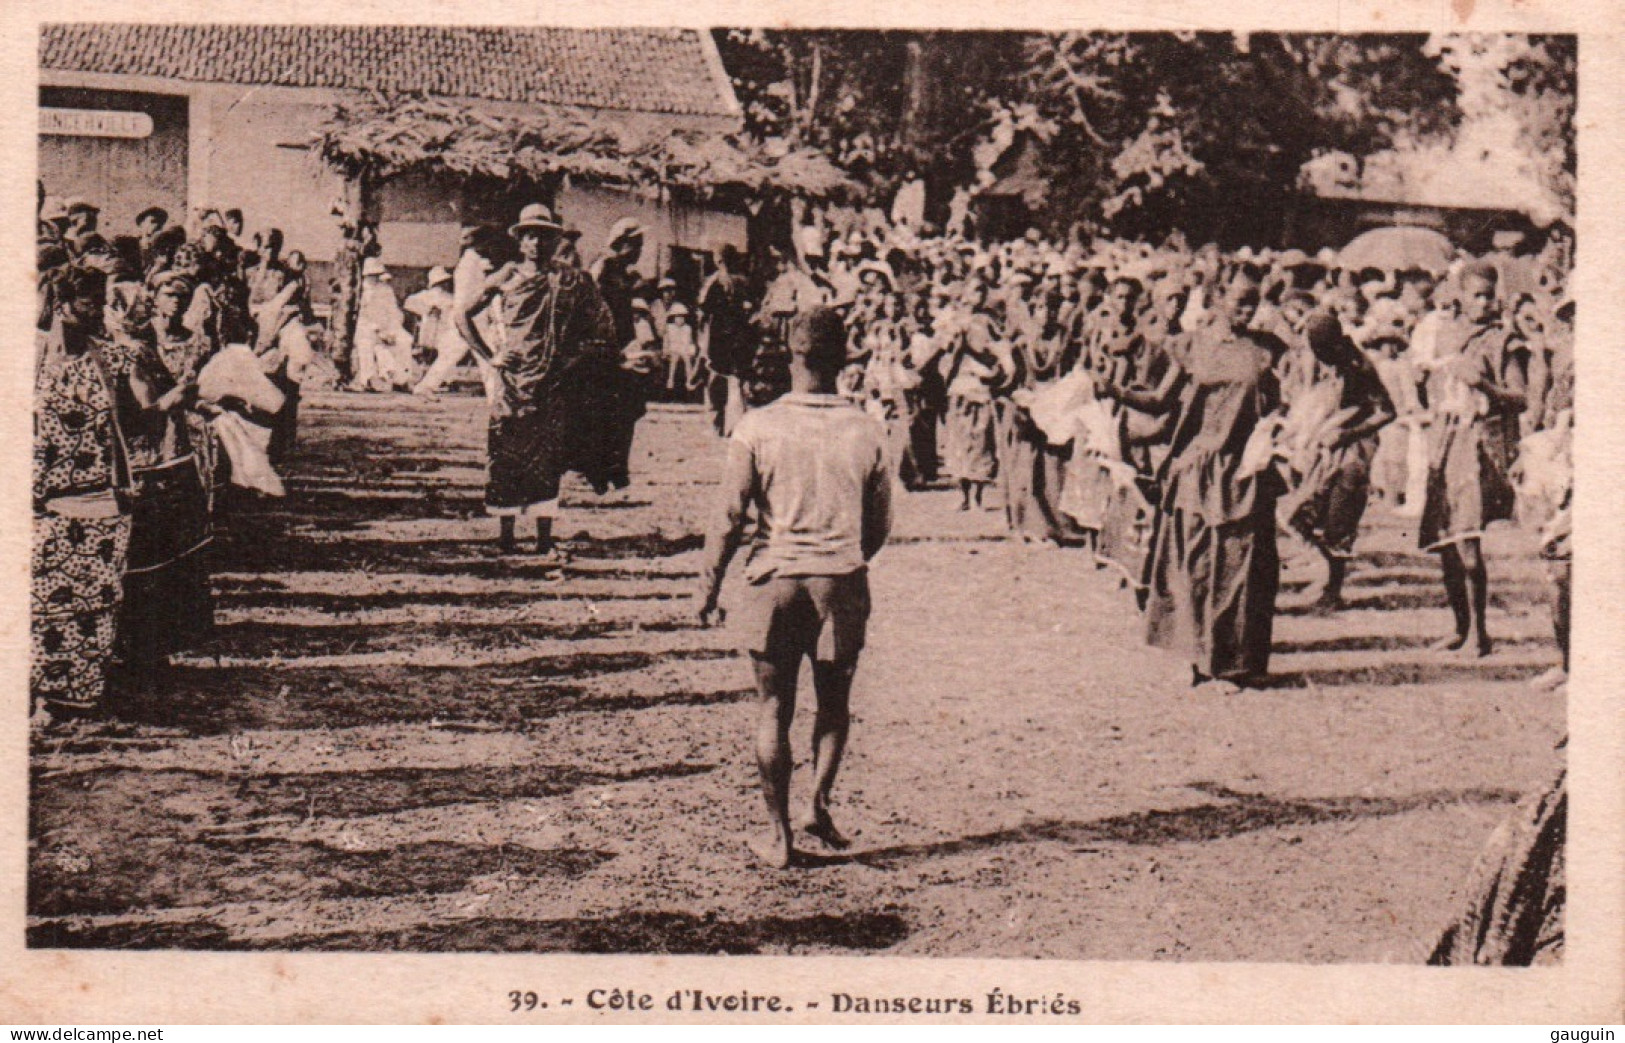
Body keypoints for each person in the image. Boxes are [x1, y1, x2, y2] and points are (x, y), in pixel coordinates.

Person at [696, 306, 892, 868]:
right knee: (835, 707)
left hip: (774, 582)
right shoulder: (866, 428)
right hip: (841, 583)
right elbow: (878, 526)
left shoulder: (758, 425)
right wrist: (844, 563)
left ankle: (778, 835)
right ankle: (818, 803)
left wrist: (707, 589)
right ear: (843, 359)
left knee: (773, 709)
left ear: (792, 355)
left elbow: (728, 517)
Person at [1104, 276, 1286, 691]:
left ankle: (1233, 665)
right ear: (1219, 300)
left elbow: (1277, 406)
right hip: (1197, 467)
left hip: (1243, 471)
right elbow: (1162, 402)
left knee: (1238, 568)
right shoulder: (1191, 345)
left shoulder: (1266, 350)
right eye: (1240, 302)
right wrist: (1114, 391)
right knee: (1194, 564)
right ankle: (1194, 655)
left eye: (1253, 304)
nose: (1247, 312)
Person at [456, 203, 617, 557]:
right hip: (512, 383)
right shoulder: (507, 276)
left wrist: (573, 359)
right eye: (530, 235)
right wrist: (491, 355)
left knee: (548, 459)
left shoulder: (570, 279)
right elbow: (462, 314)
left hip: (553, 384)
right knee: (506, 454)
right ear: (520, 240)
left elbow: (603, 325)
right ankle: (507, 538)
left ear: (553, 239)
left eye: (543, 235)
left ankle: (544, 538)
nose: (536, 242)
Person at [32, 265, 134, 726]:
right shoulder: (28, 358)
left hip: (99, 501)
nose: (98, 310)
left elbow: (132, 424)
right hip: (42, 504)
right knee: (42, 606)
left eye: (101, 300)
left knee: (95, 605)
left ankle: (78, 697)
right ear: (61, 305)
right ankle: (38, 694)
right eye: (88, 302)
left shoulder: (110, 359)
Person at [1418, 263, 1525, 658]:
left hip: (1476, 446)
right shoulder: (1445, 334)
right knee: (1444, 539)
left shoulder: (1502, 340)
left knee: (1466, 541)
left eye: (1488, 294)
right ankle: (1459, 627)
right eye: (1476, 294)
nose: (1483, 302)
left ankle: (1480, 633)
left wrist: (1483, 385)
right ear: (1460, 295)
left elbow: (1521, 397)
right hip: (1444, 439)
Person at [1280, 313, 1395, 608]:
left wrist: (1348, 433)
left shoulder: (1359, 366)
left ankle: (1332, 590)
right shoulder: (1314, 363)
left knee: (1339, 519)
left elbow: (1387, 411)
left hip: (1352, 452)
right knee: (1299, 511)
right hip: (1317, 451)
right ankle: (1324, 577)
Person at [698, 244, 757, 436]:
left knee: (717, 377)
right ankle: (745, 422)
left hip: (719, 336)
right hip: (741, 335)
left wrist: (702, 336)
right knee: (742, 379)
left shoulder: (714, 281)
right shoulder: (745, 282)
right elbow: (754, 307)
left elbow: (703, 310)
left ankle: (719, 422)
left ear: (718, 260)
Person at [353, 257, 415, 392]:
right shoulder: (359, 291)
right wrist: (378, 331)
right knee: (366, 344)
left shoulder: (386, 290)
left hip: (388, 328)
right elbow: (363, 316)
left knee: (405, 340)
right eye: (371, 275)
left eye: (376, 275)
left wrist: (392, 331)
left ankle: (401, 380)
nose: (373, 278)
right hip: (367, 329)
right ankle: (367, 380)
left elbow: (394, 312)